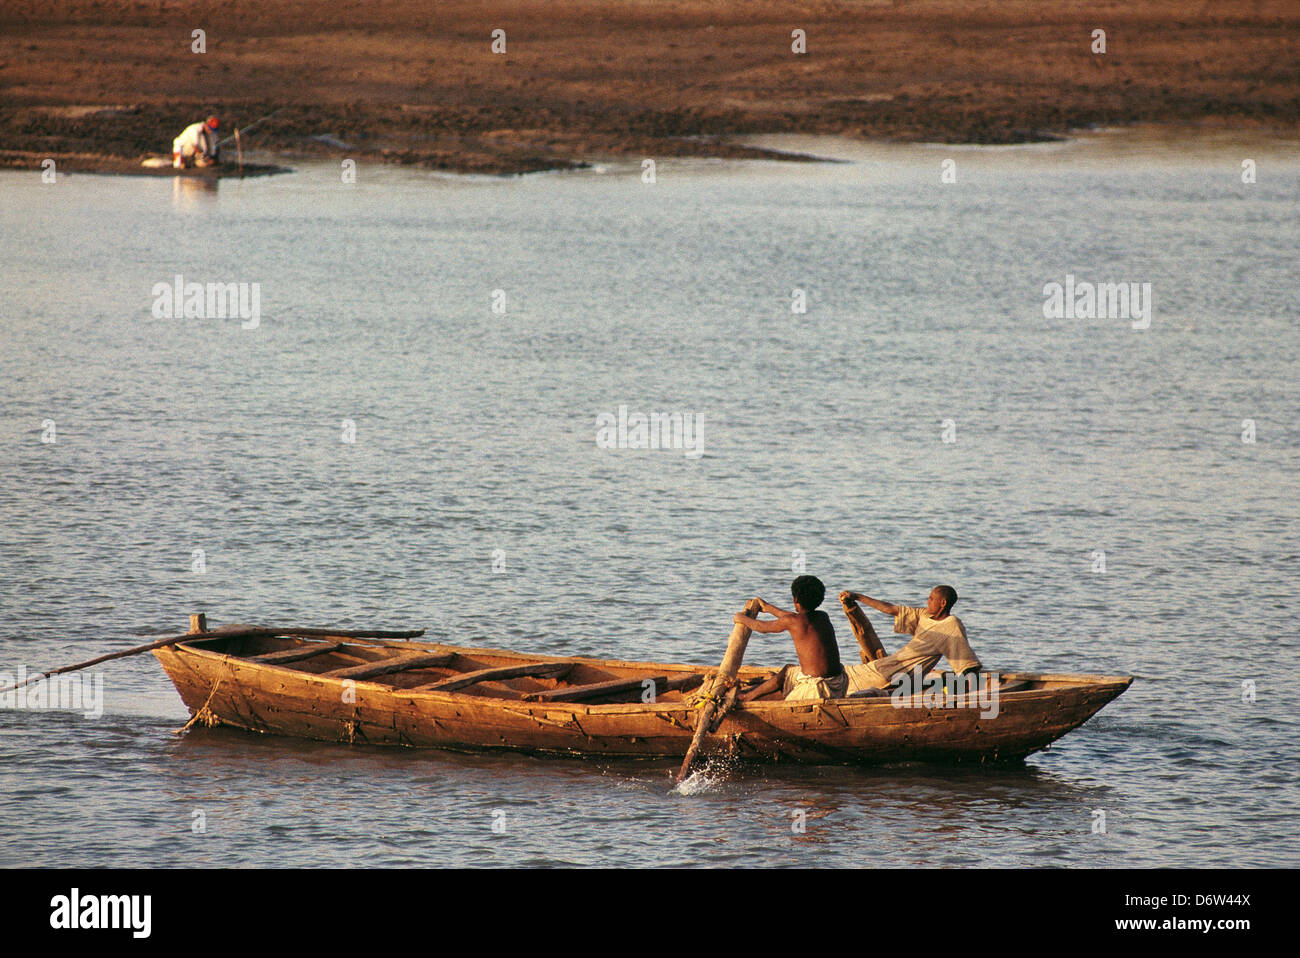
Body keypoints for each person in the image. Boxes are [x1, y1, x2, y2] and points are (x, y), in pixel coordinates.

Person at [838, 585, 981, 693]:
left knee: (840, 684)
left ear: (943, 603)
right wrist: (857, 597)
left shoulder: (951, 625)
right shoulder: (924, 615)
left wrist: (966, 692)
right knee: (844, 673)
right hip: (886, 665)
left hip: (893, 675)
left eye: (931, 599)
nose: (927, 602)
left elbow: (967, 665)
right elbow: (890, 609)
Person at [736, 575, 848, 701]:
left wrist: (741, 618)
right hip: (838, 683)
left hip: (816, 689)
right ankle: (756, 692)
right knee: (788, 669)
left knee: (775, 693)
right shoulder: (823, 616)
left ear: (795, 599)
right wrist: (768, 608)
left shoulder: (793, 621)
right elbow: (792, 617)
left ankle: (746, 697)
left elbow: (762, 626)